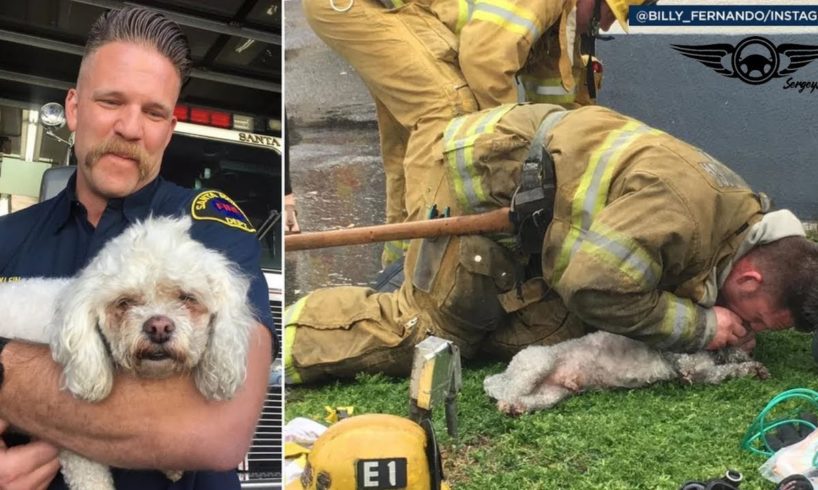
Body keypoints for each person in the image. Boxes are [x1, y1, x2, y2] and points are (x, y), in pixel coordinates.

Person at [284, 102, 818, 384]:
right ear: (749, 278)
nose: (750, 329)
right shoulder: (686, 209)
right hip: (482, 187)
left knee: (556, 329)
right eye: (760, 319)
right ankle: (292, 332)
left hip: (539, 207)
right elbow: (595, 284)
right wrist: (701, 325)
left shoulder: (745, 217)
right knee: (432, 340)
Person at [0, 7, 275, 489]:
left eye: (153, 112)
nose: (130, 128)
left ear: (169, 130)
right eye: (111, 102)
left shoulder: (210, 228)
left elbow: (217, 426)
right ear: (74, 108)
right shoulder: (7, 237)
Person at [302, 0, 651, 267]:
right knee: (449, 111)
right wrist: (502, 148)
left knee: (411, 140)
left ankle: (398, 269)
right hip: (361, 7)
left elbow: (557, 103)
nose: (602, 24)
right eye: (603, 11)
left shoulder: (561, 23)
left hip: (383, 10)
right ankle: (427, 276)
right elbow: (485, 59)